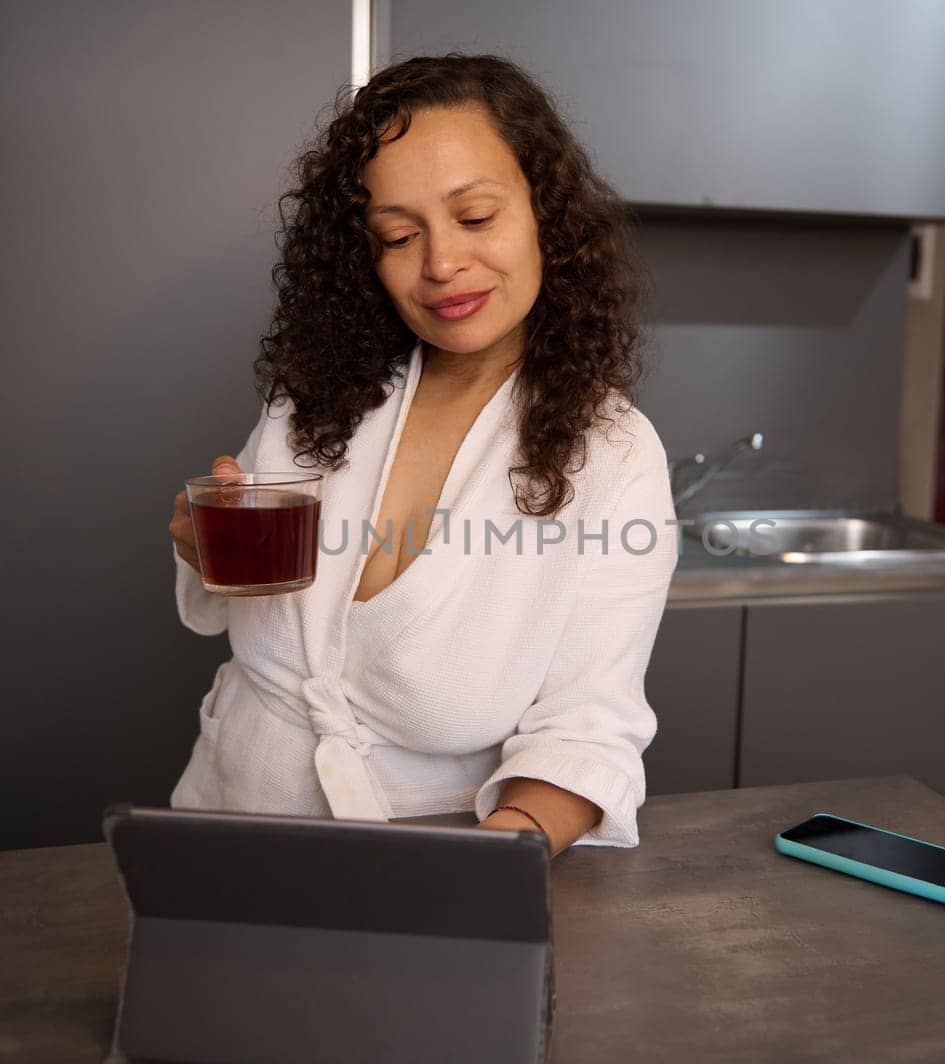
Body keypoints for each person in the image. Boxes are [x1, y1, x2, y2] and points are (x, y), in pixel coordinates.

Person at [166, 54, 678, 856]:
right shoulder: (320, 401)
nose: (441, 264)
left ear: (547, 215)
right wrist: (201, 546)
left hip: (435, 863)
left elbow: (588, 734)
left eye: (475, 218)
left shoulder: (609, 456)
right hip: (221, 824)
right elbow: (242, 588)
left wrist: (474, 878)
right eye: (400, 236)